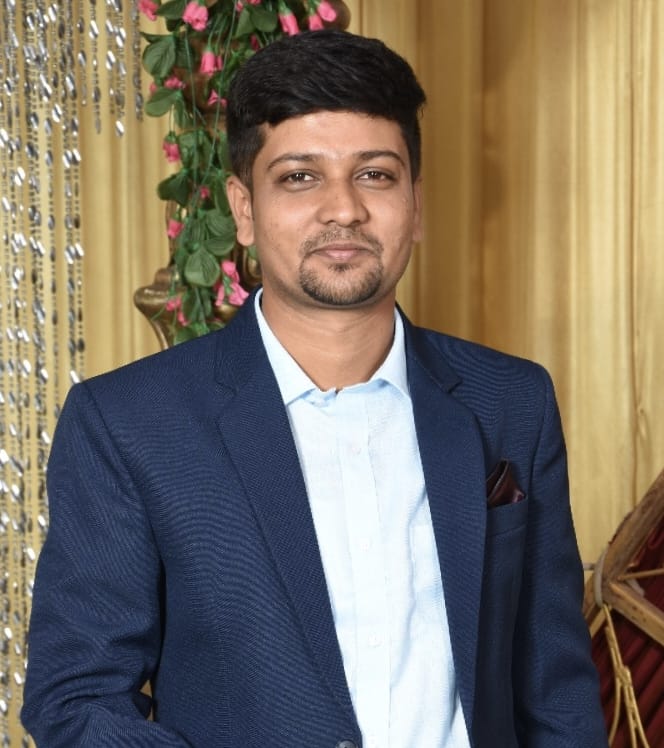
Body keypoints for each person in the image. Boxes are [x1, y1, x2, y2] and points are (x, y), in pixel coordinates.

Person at [21, 29, 607, 748]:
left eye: (375, 175)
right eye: (300, 177)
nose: (344, 209)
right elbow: (77, 699)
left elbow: (555, 693)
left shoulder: (511, 400)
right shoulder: (127, 421)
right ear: (243, 209)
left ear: (416, 204)